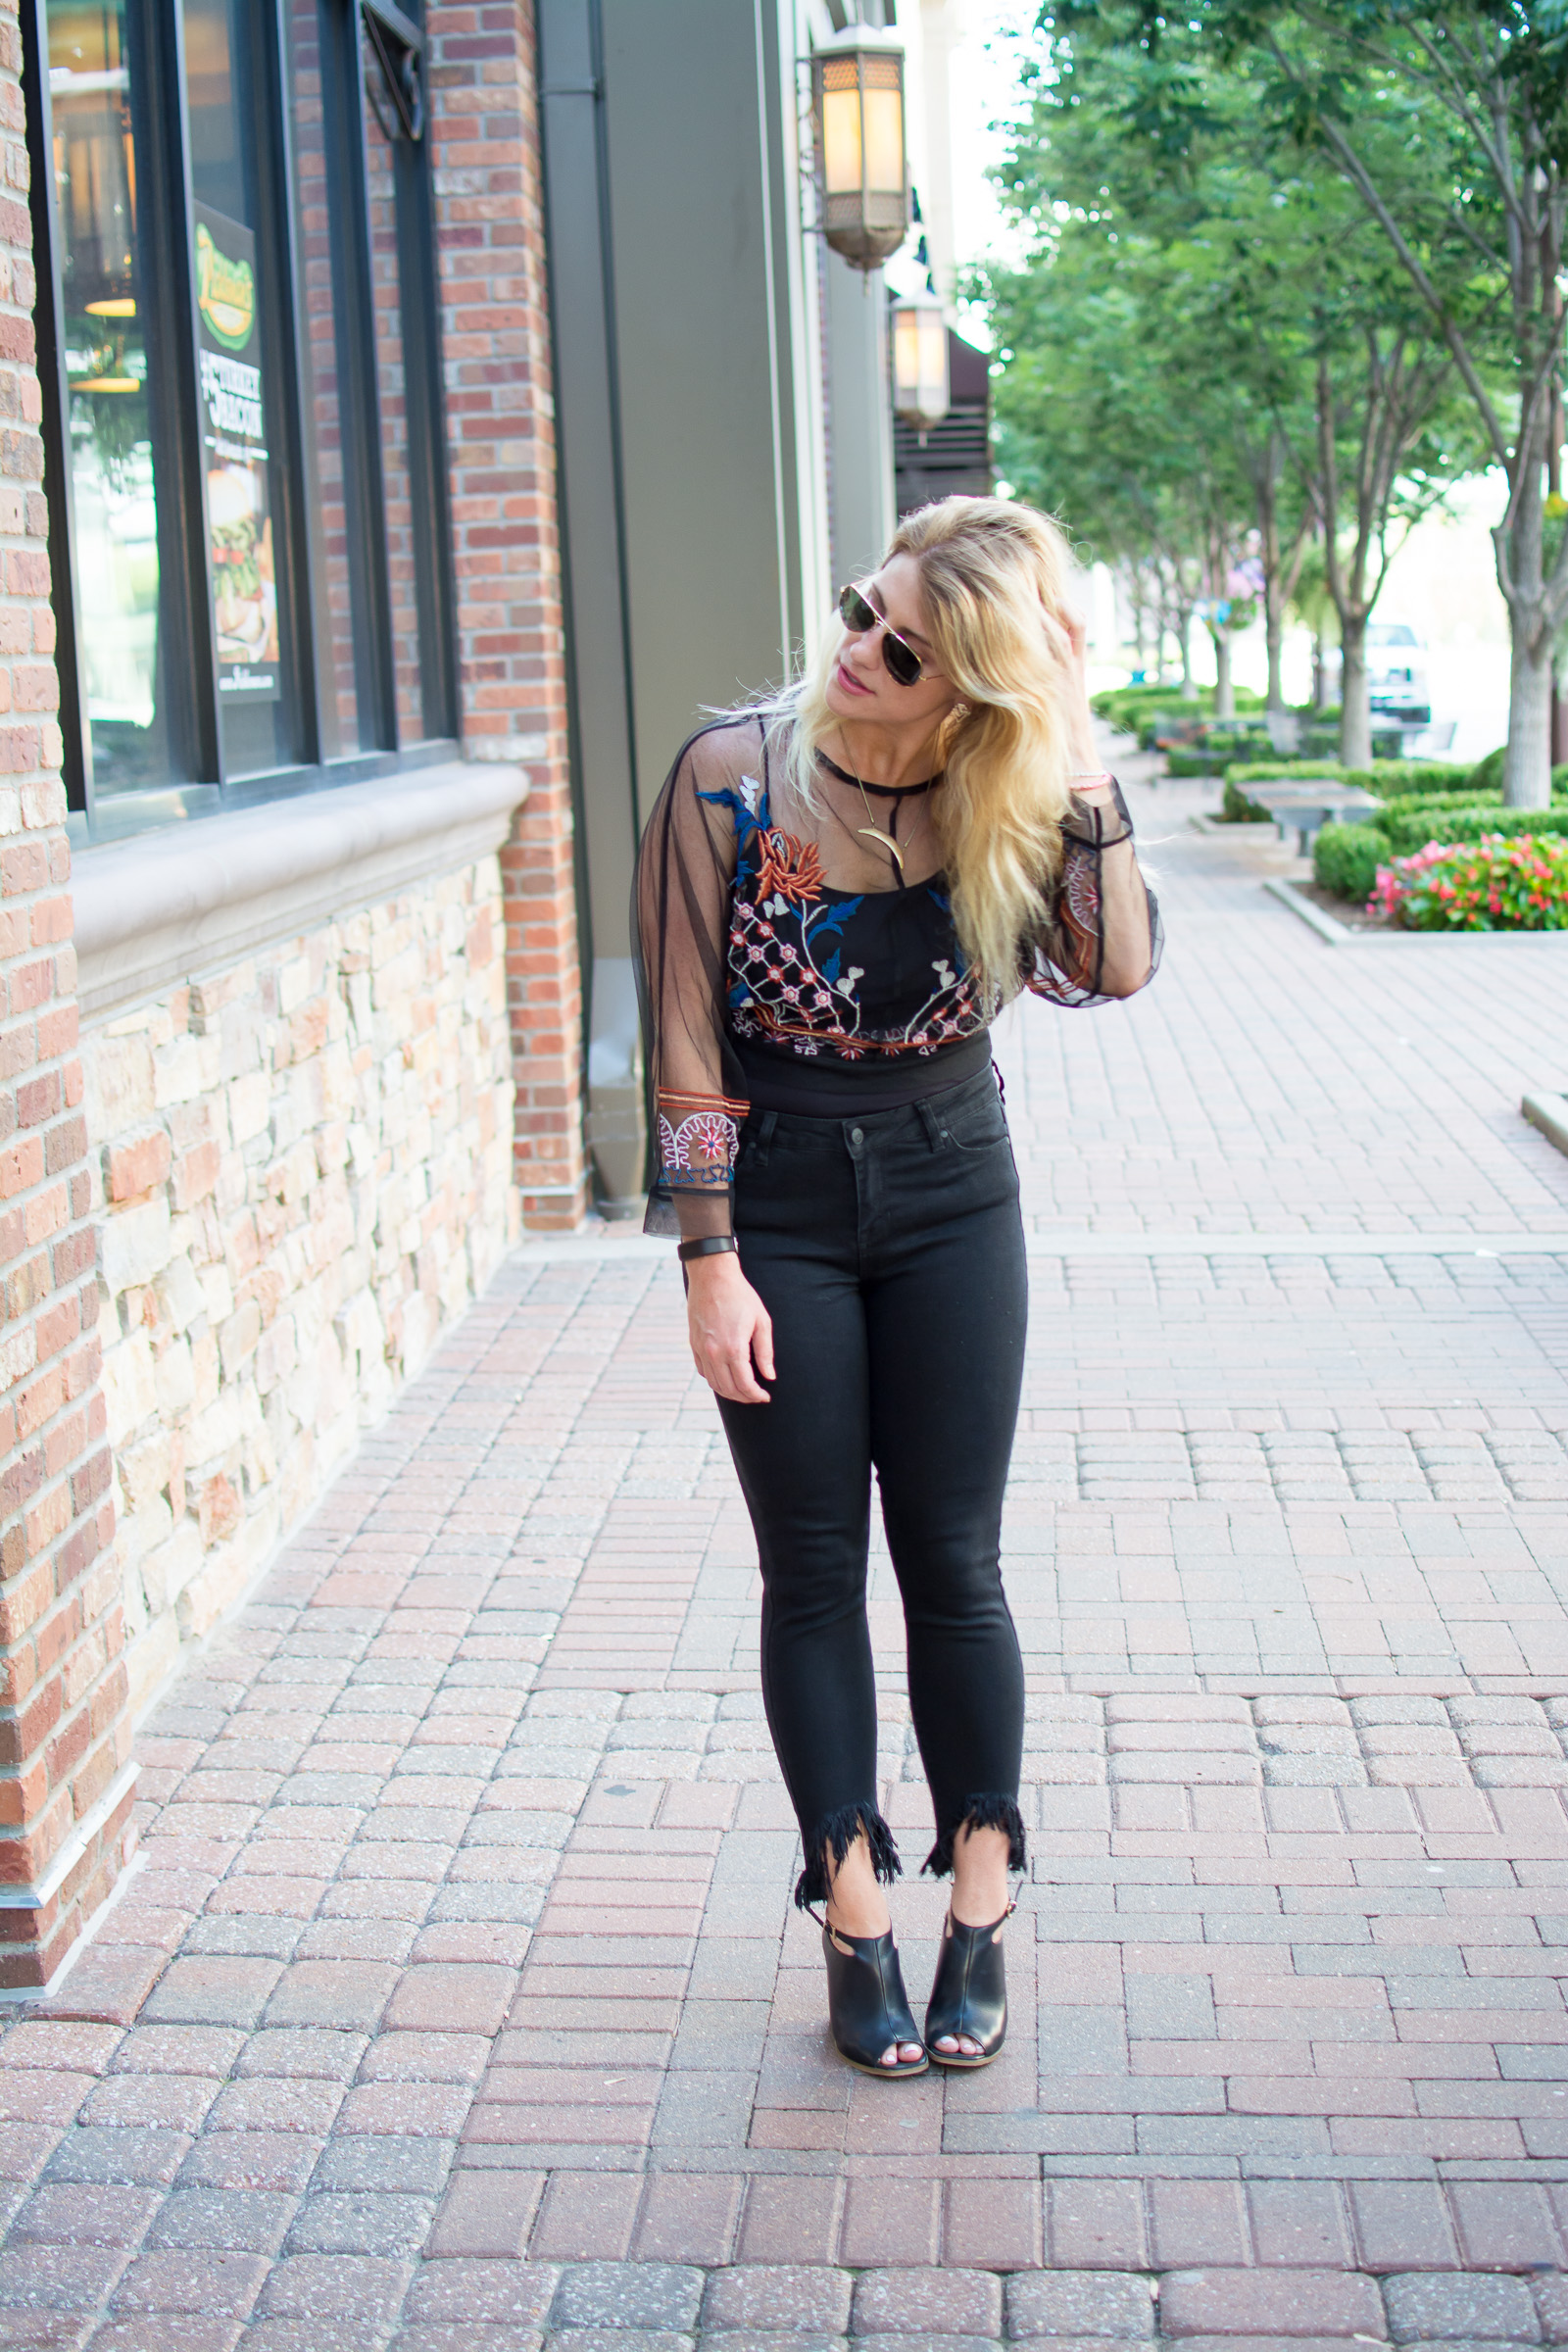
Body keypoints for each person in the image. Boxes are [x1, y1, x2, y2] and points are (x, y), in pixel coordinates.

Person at [634, 497, 1159, 2078]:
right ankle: (853, 1921)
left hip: (950, 1194)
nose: (861, 651)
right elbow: (681, 1036)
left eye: (910, 646)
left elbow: (1114, 963)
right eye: (867, 610)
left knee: (955, 1564)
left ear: (973, 687)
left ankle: (979, 1905)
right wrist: (708, 1257)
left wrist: (1070, 746)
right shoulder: (733, 778)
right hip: (779, 1201)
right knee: (811, 1572)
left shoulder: (1006, 789)